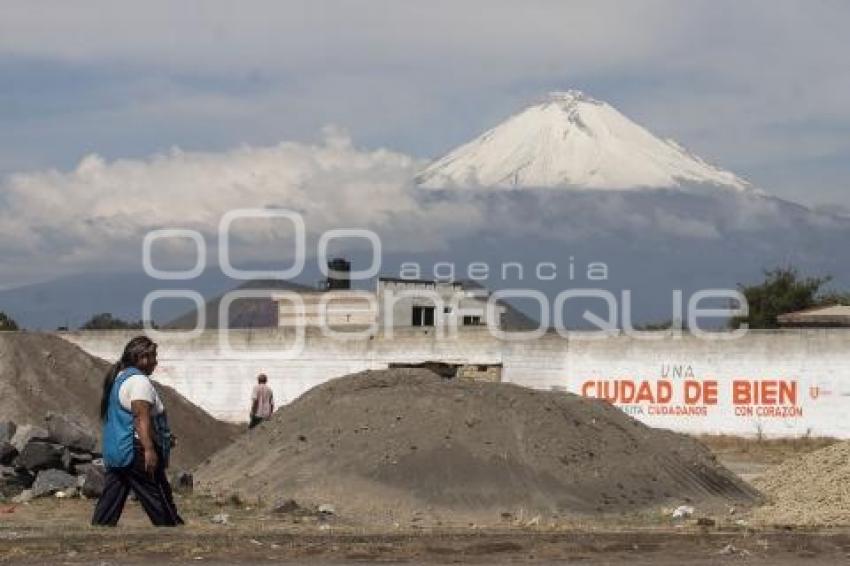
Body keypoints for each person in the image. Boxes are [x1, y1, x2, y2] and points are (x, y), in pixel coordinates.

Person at [92, 336, 183, 527]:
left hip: (118, 449)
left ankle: (99, 530)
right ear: (142, 358)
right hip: (137, 450)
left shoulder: (119, 378)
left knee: (111, 499)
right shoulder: (139, 382)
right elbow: (140, 417)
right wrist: (149, 449)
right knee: (158, 495)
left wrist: (164, 436)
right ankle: (170, 528)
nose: (156, 362)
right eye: (153, 357)